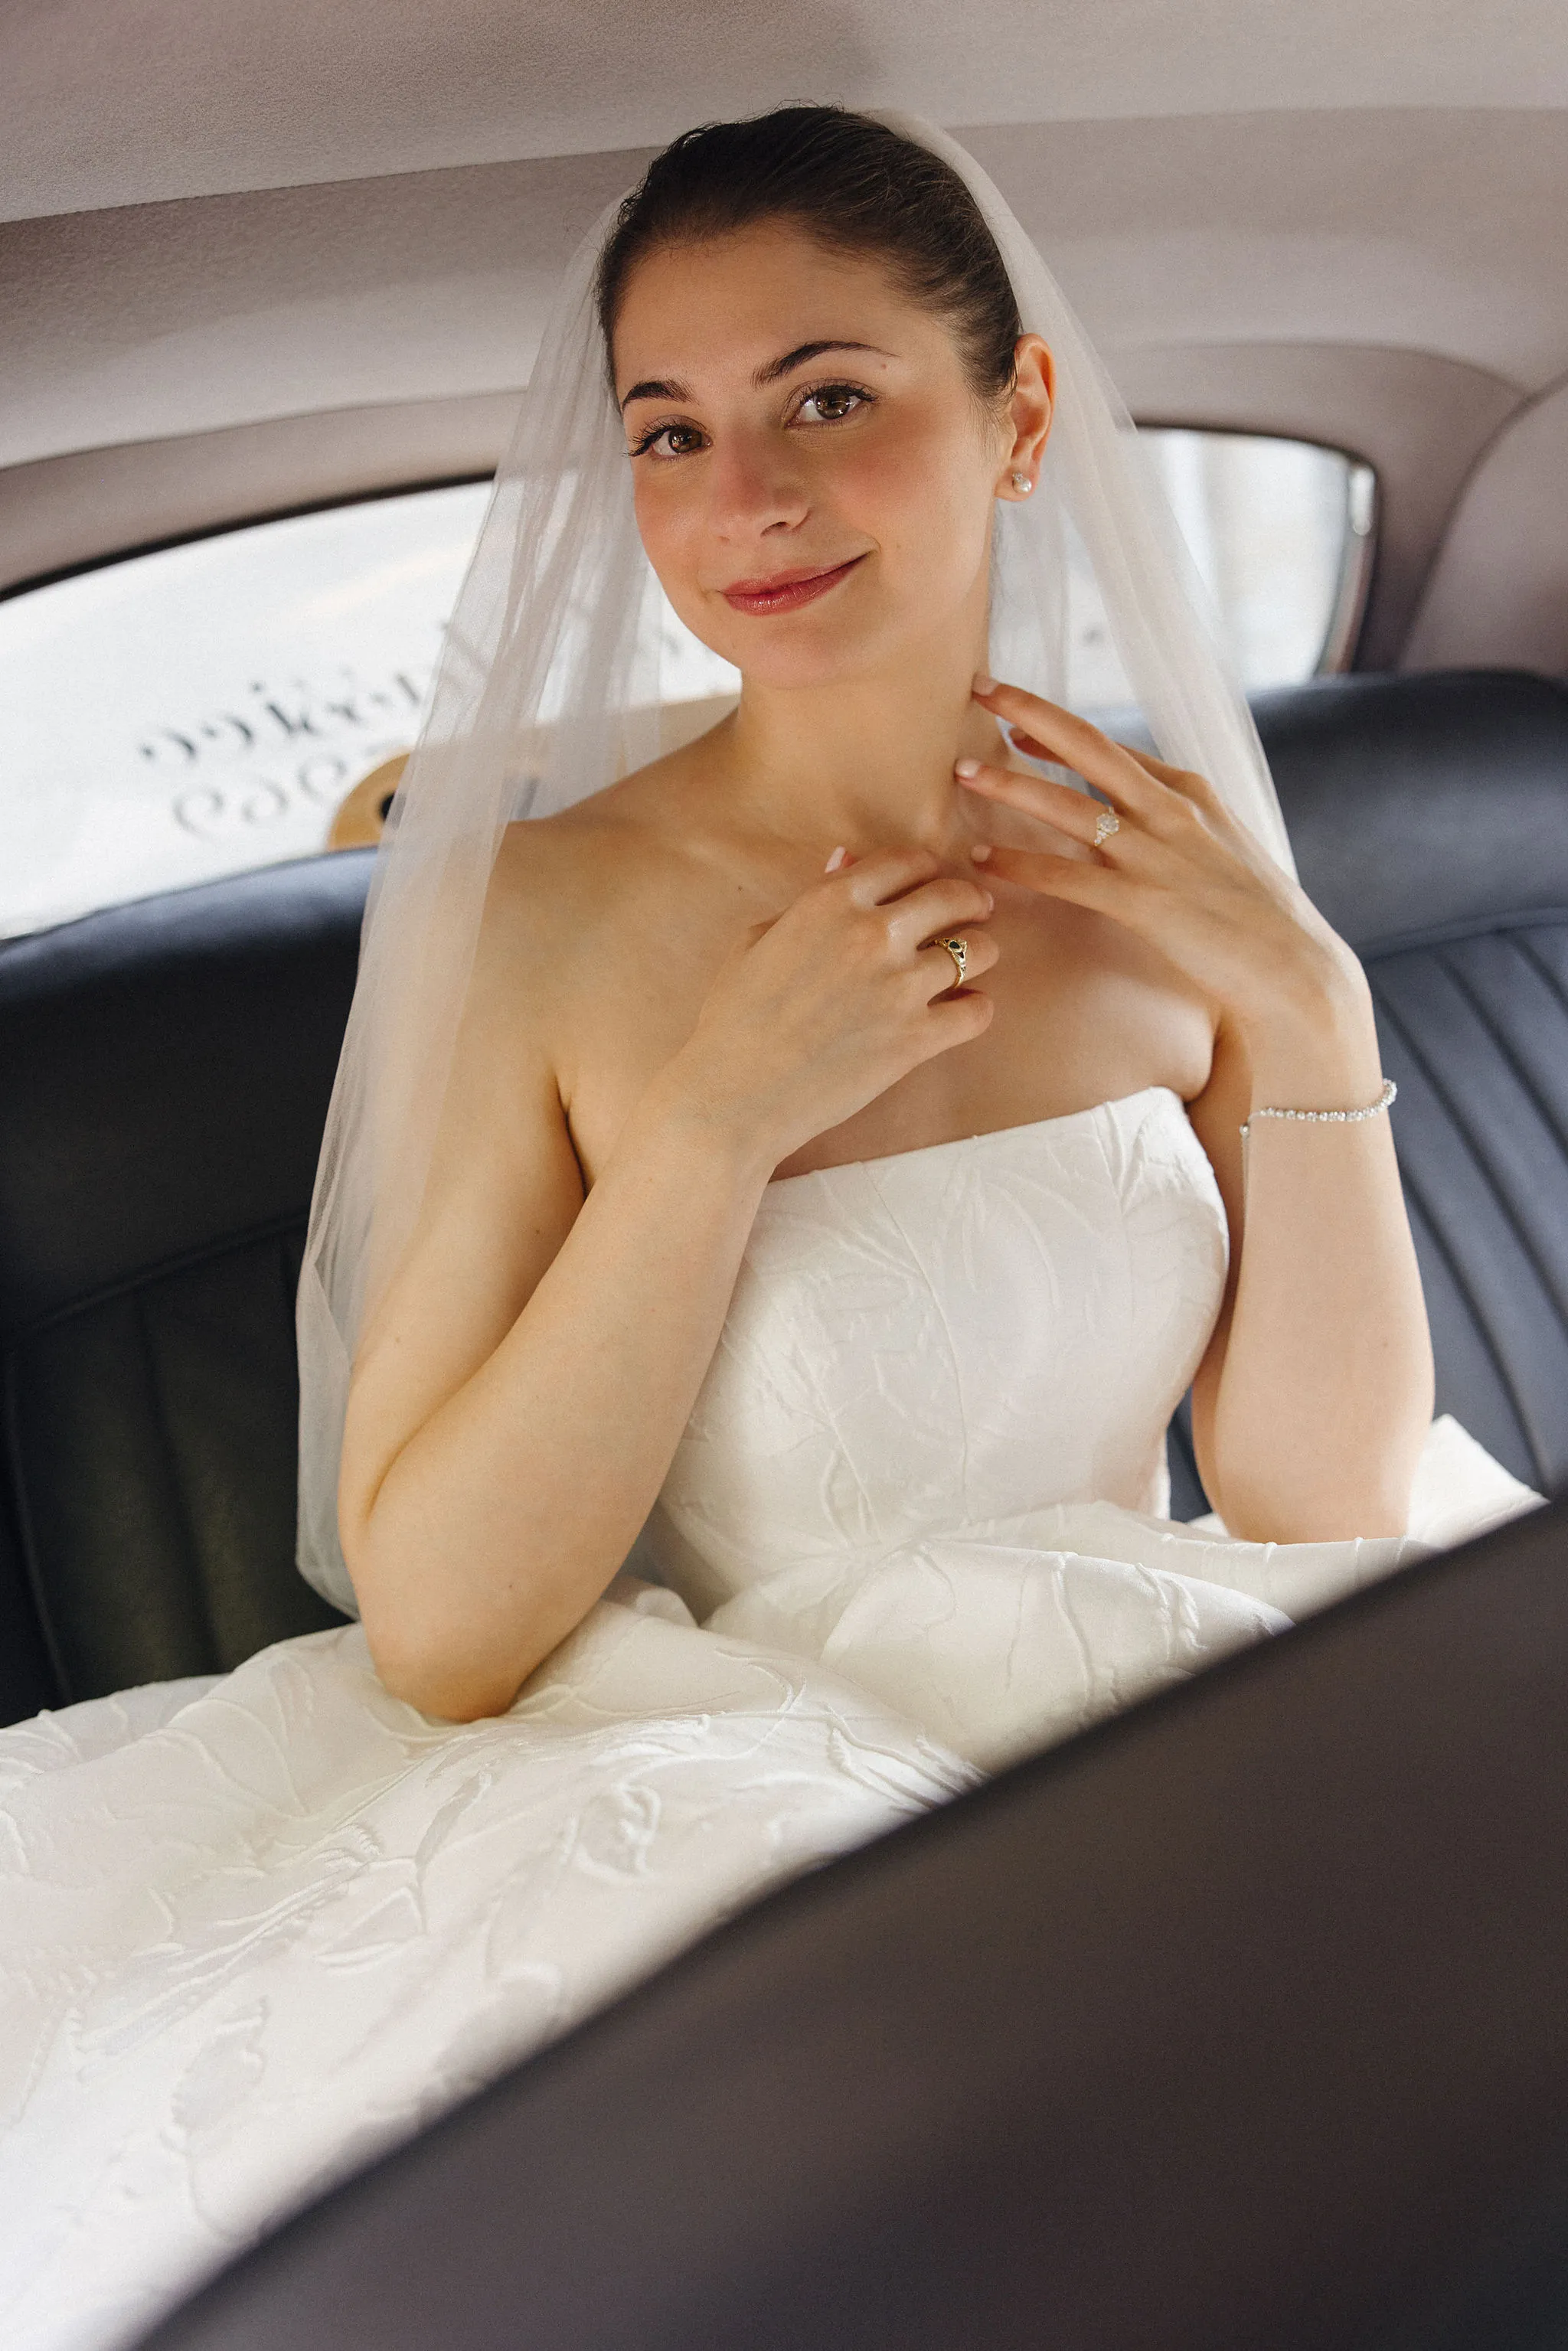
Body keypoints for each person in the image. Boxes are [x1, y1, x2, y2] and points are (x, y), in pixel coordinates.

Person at [0, 108, 1537, 2351]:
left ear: (1012, 415)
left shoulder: (1171, 867)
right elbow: (438, 1623)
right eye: (672, 432)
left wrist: (1306, 990)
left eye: (830, 396)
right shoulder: (545, 915)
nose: (747, 502)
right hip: (733, 1760)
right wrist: (716, 1126)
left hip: (1156, 1698)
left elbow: (1316, 1497)